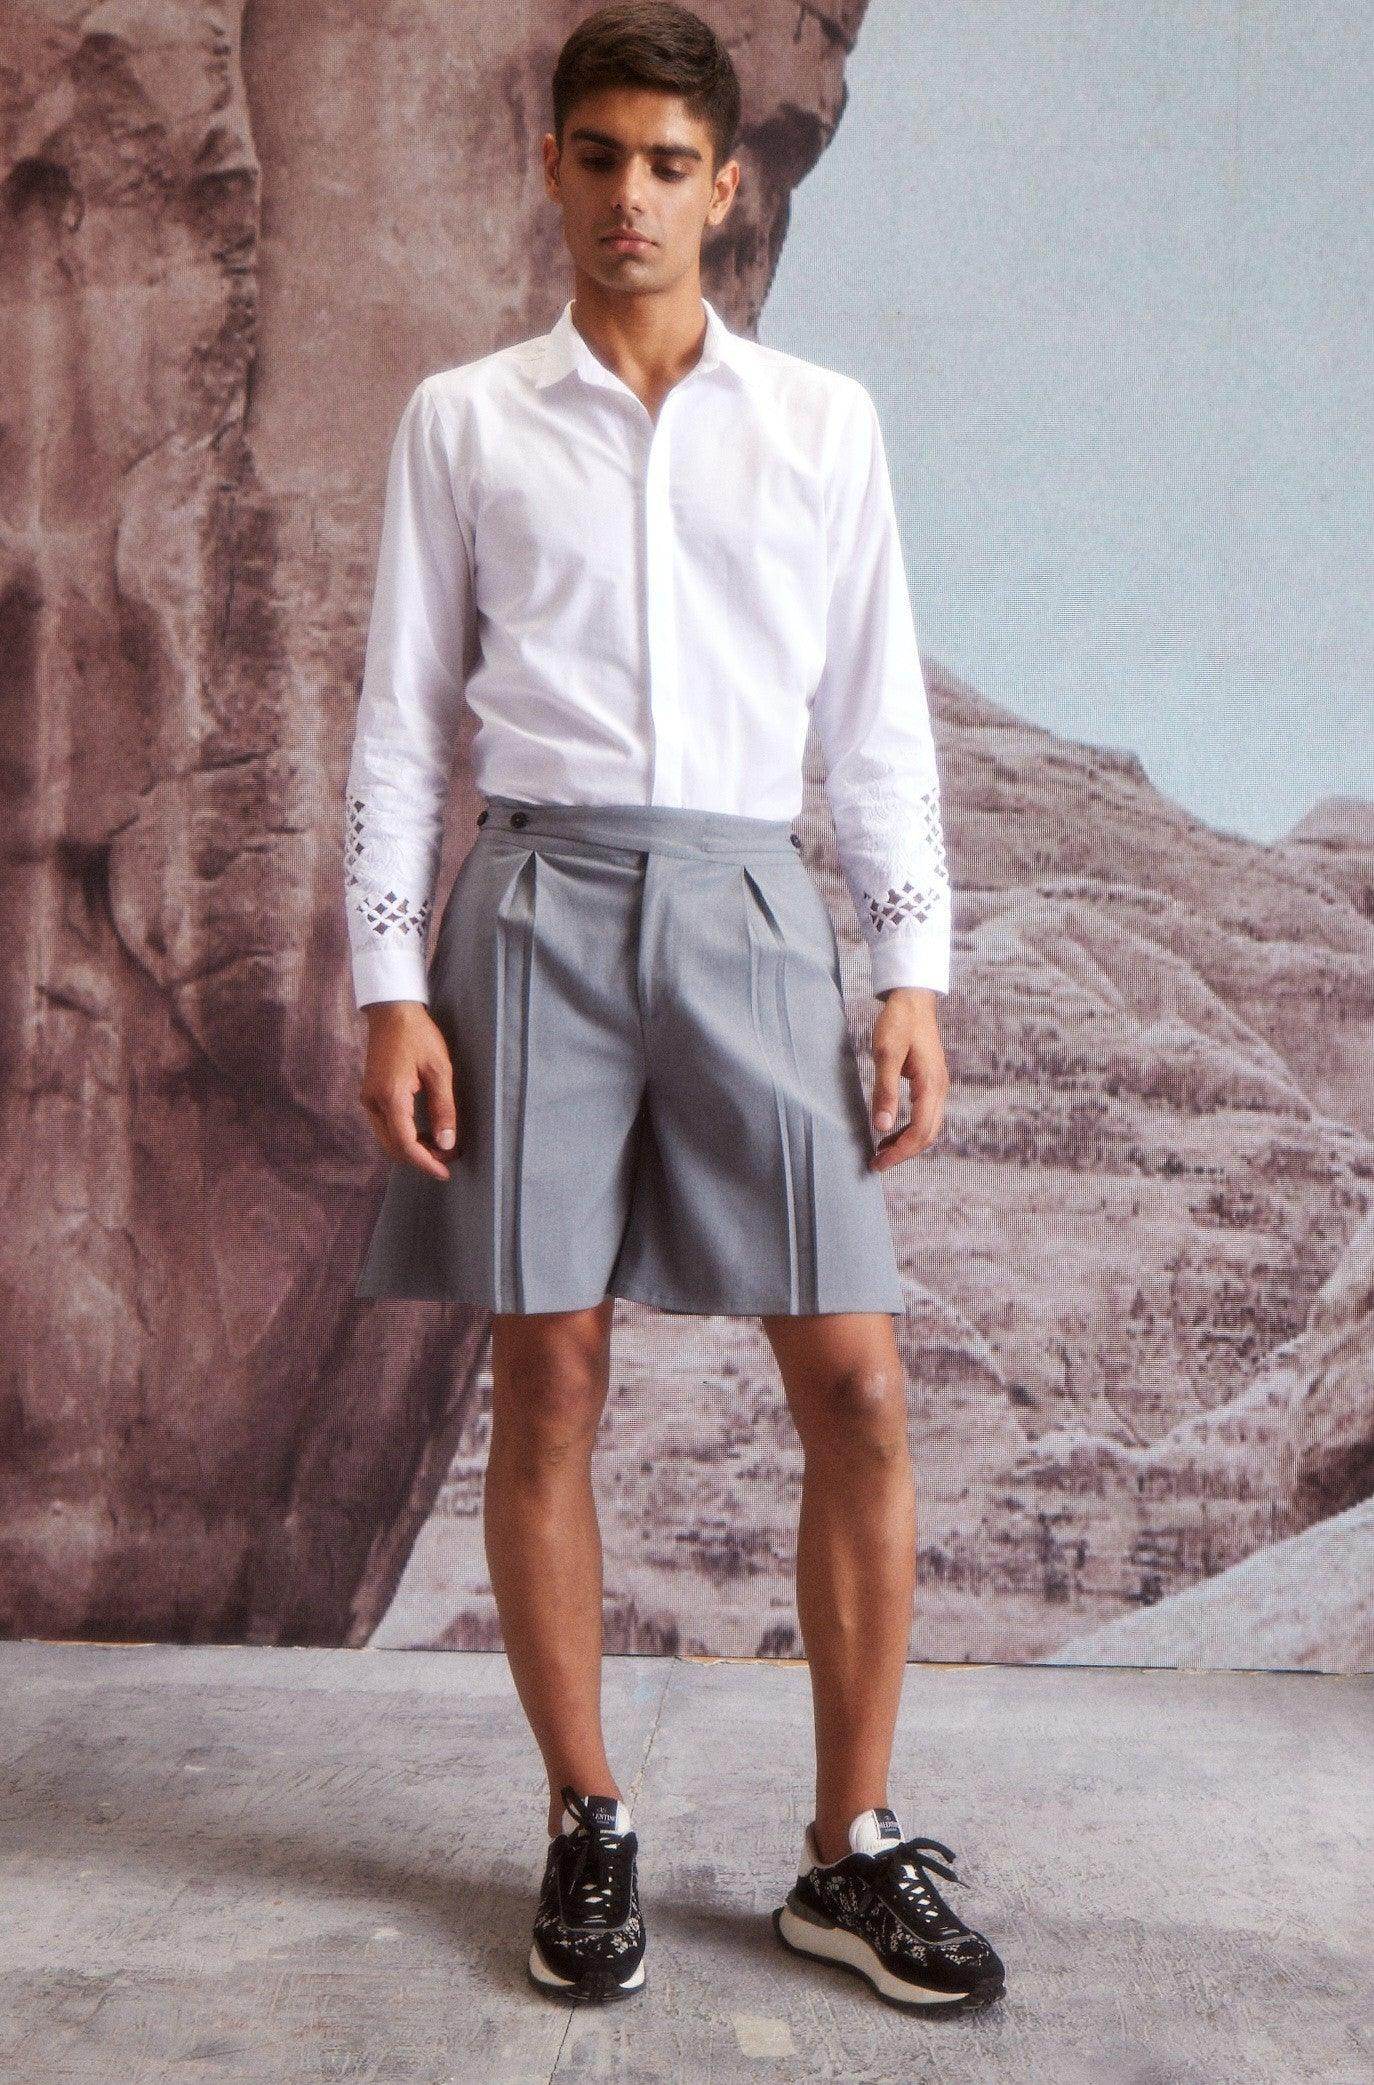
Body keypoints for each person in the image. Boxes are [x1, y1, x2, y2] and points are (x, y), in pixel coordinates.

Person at [342, 0, 1005, 2018]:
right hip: (533, 905)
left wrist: (909, 964)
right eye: (597, 156)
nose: (628, 196)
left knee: (859, 1386)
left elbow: (873, 718)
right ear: (551, 167)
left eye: (666, 164)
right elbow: (400, 724)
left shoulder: (823, 425)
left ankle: (849, 1844)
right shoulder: (464, 420)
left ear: (724, 189)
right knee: (548, 1375)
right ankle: (586, 1816)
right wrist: (388, 981)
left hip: (745, 905)